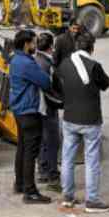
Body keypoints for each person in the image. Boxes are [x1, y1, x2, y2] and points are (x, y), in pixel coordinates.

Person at [56, 30, 109, 213]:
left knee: (67, 158)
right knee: (92, 160)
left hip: (70, 117)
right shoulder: (94, 66)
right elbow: (106, 84)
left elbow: (56, 84)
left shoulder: (64, 64)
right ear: (92, 48)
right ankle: (92, 200)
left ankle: (67, 196)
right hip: (90, 119)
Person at [8, 29, 52, 204]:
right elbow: (45, 82)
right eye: (33, 42)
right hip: (29, 111)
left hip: (19, 110)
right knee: (30, 152)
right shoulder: (26, 63)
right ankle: (30, 192)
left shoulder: (15, 59)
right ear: (27, 44)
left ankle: (19, 184)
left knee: (22, 148)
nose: (35, 46)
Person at [34, 32, 62, 191]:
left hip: (36, 107)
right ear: (51, 47)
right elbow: (50, 89)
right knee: (52, 141)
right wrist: (62, 102)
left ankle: (42, 170)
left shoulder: (35, 60)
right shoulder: (46, 64)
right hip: (47, 107)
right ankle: (52, 175)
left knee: (43, 141)